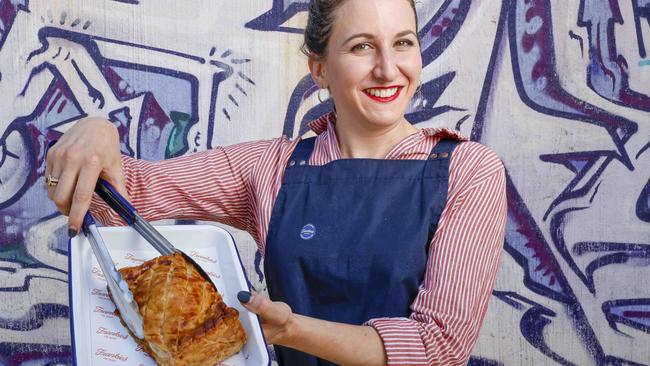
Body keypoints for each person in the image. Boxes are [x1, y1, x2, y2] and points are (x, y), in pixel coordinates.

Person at [45, 0, 507, 364]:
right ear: (320, 69)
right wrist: (96, 131)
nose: (388, 69)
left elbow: (438, 348)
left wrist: (291, 332)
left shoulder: (468, 171)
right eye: (362, 46)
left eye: (403, 43)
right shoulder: (270, 168)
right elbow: (114, 198)